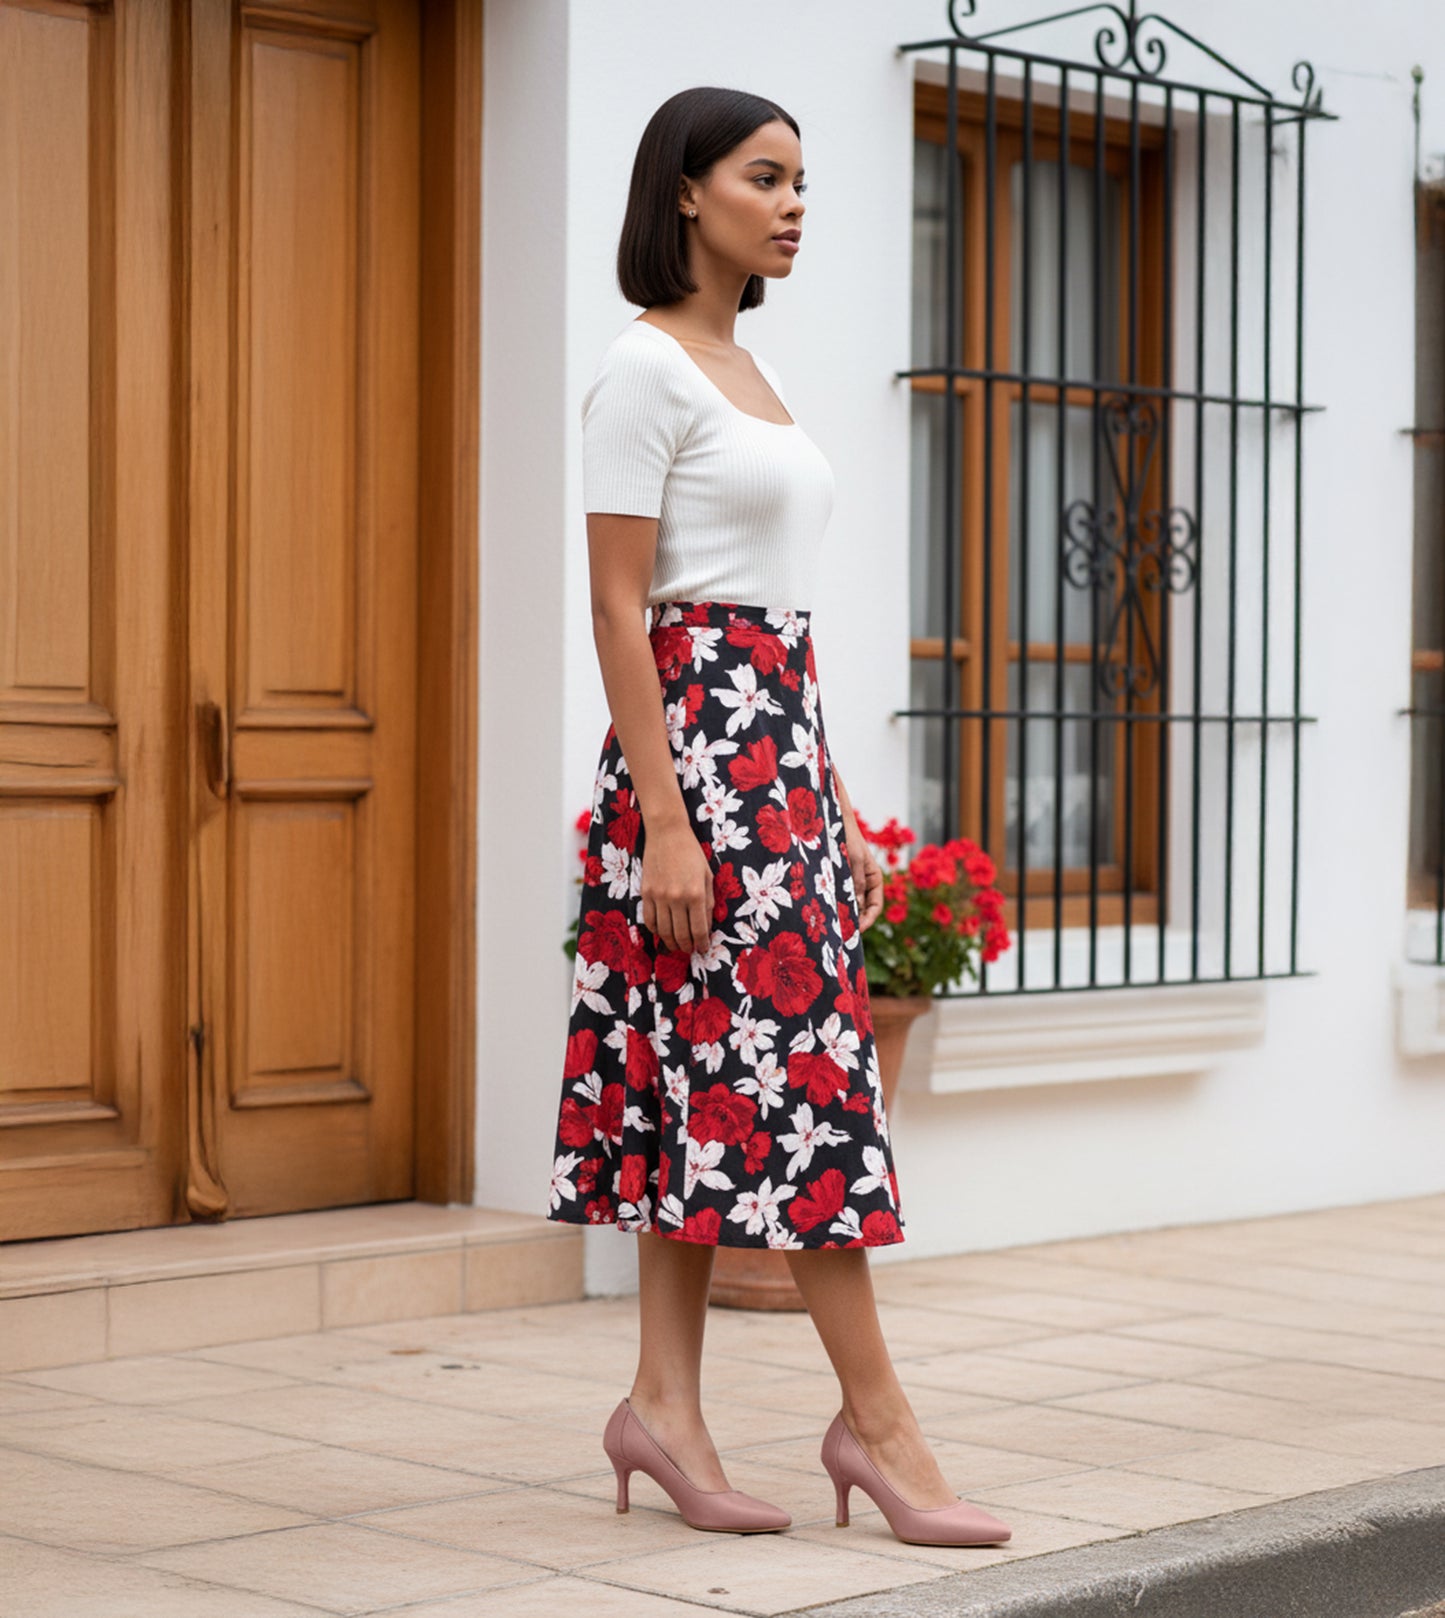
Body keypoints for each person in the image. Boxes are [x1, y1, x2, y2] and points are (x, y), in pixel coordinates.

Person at [545, 85, 1011, 1550]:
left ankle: (663, 1407)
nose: (796, 201)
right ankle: (874, 1423)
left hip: (771, 766)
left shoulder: (744, 368)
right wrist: (670, 827)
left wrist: (833, 809)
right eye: (766, 176)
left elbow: (774, 629)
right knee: (802, 1087)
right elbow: (626, 612)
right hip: (690, 769)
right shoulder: (642, 371)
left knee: (709, 1080)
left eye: (803, 179)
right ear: (687, 193)